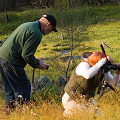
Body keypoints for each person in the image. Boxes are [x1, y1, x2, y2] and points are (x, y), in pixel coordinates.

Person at [0, 14, 58, 110]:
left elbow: (21, 48)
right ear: (48, 24)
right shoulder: (36, 33)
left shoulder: (27, 25)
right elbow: (26, 54)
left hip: (2, 57)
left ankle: (8, 113)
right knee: (24, 88)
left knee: (10, 90)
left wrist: (36, 60)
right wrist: (37, 64)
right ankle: (22, 113)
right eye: (51, 29)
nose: (50, 32)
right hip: (11, 61)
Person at [62, 51, 120, 116]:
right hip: (71, 99)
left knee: (98, 115)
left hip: (87, 101)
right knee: (82, 113)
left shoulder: (101, 69)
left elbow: (113, 85)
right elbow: (88, 75)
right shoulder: (83, 65)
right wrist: (102, 61)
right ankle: (66, 115)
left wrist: (117, 74)